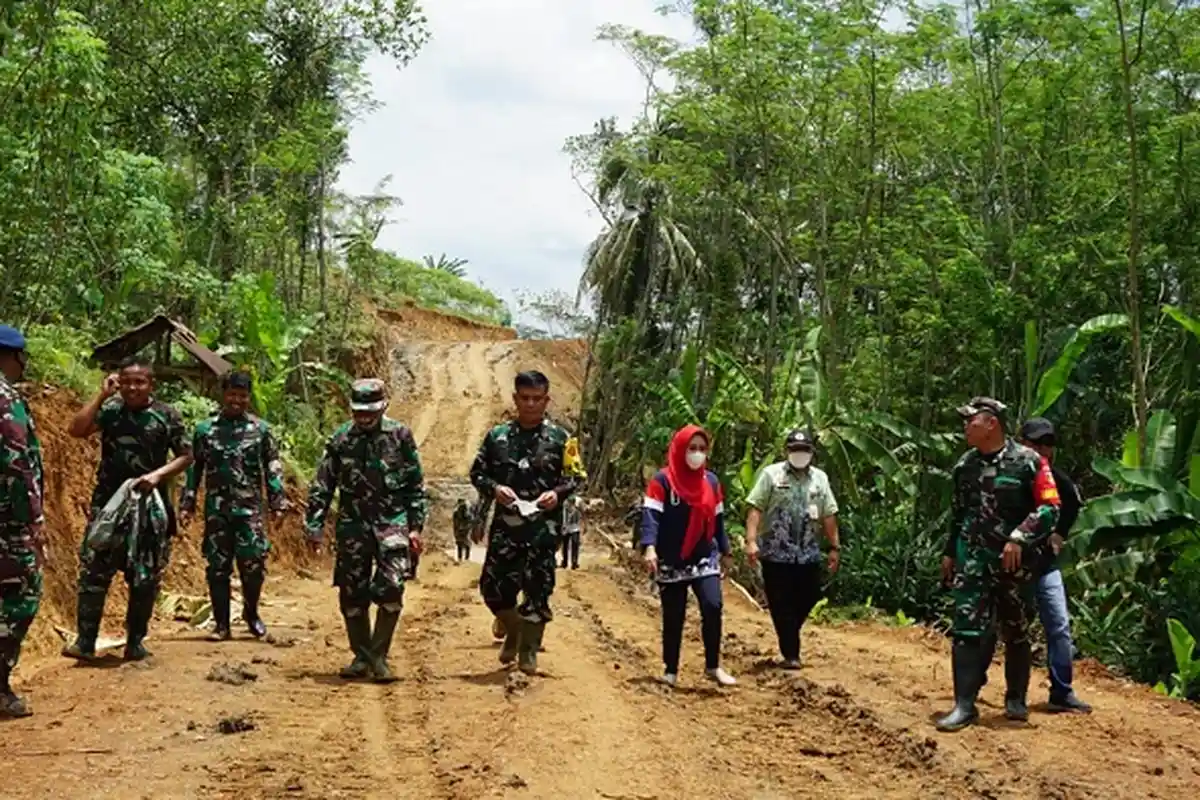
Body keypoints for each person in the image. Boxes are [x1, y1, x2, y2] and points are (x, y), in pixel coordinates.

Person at [936, 397, 1060, 732]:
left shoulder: (1030, 462)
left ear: (992, 423)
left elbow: (1050, 509)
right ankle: (964, 704)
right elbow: (959, 514)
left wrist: (1020, 536)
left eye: (970, 421)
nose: (965, 427)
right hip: (974, 563)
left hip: (1015, 565)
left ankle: (1016, 698)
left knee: (1015, 630)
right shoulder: (965, 466)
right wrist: (950, 553)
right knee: (966, 630)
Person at [62, 360, 193, 662]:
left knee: (144, 578)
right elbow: (76, 430)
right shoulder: (110, 411)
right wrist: (101, 396)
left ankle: (135, 642)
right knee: (93, 572)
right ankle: (85, 641)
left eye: (139, 382)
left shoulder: (166, 416)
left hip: (149, 508)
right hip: (108, 506)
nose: (132, 388)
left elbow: (186, 456)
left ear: (151, 385)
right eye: (127, 382)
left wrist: (158, 475)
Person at [305, 378, 426, 683]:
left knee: (391, 588)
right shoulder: (341, 439)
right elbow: (323, 484)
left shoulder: (400, 436)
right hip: (353, 526)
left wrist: (416, 527)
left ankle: (378, 657)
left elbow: (415, 485)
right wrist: (314, 524)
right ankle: (361, 656)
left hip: (392, 525)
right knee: (352, 594)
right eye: (358, 412)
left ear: (384, 405)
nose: (364, 418)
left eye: (369, 411)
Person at [470, 370, 586, 675]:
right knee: (493, 589)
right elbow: (477, 474)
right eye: (525, 398)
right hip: (506, 528)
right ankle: (514, 628)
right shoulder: (497, 438)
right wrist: (494, 489)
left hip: (542, 529)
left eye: (537, 399)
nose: (531, 404)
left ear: (547, 400)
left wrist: (556, 494)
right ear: (515, 399)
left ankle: (528, 652)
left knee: (538, 590)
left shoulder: (562, 439)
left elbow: (575, 478)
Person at [977, 418, 1091, 713]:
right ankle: (974, 685)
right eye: (1036, 443)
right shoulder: (1008, 476)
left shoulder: (1057, 479)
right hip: (1010, 566)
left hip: (1043, 565)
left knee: (1059, 625)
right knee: (997, 627)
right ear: (1022, 442)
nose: (1042, 450)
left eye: (1047, 444)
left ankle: (1061, 693)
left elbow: (1072, 503)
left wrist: (1059, 533)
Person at [179, 371, 286, 642]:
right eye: (232, 394)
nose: (236, 400)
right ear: (222, 394)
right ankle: (222, 624)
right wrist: (188, 502)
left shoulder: (261, 431)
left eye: (242, 395)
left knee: (253, 565)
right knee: (217, 566)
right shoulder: (205, 430)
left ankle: (251, 614)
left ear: (248, 398)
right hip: (217, 510)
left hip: (249, 510)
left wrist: (278, 502)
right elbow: (195, 468)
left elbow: (272, 467)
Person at [641, 425, 735, 687]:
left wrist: (726, 551)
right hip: (672, 559)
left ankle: (713, 666)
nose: (697, 454)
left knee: (712, 605)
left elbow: (718, 521)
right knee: (674, 614)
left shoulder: (711, 482)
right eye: (692, 448)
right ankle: (670, 670)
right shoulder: (662, 481)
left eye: (702, 449)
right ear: (681, 449)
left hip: (704, 557)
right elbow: (651, 518)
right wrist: (650, 547)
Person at [744, 430, 840, 669]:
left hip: (808, 554)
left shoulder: (820, 479)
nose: (800, 455)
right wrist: (751, 540)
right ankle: (791, 655)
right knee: (781, 602)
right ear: (786, 451)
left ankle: (789, 631)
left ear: (812, 453)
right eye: (795, 450)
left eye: (804, 450)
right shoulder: (771, 475)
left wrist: (834, 546)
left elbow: (828, 514)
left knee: (808, 597)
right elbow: (755, 508)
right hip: (776, 554)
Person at [0, 326, 43, 717]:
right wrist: (33, 520)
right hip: (7, 524)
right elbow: (16, 464)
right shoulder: (5, 399)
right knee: (21, 597)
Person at [560, 494, 582, 570]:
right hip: (567, 527)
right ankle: (564, 562)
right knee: (565, 546)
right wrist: (564, 526)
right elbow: (564, 516)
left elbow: (582, 514)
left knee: (575, 545)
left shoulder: (578, 504)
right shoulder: (565, 504)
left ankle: (574, 563)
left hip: (575, 527)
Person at [452, 497, 472, 563]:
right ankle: (465, 558)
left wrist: (456, 530)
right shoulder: (466, 510)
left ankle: (462, 558)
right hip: (464, 528)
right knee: (464, 543)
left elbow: (455, 522)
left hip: (462, 528)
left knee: (462, 543)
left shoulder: (457, 511)